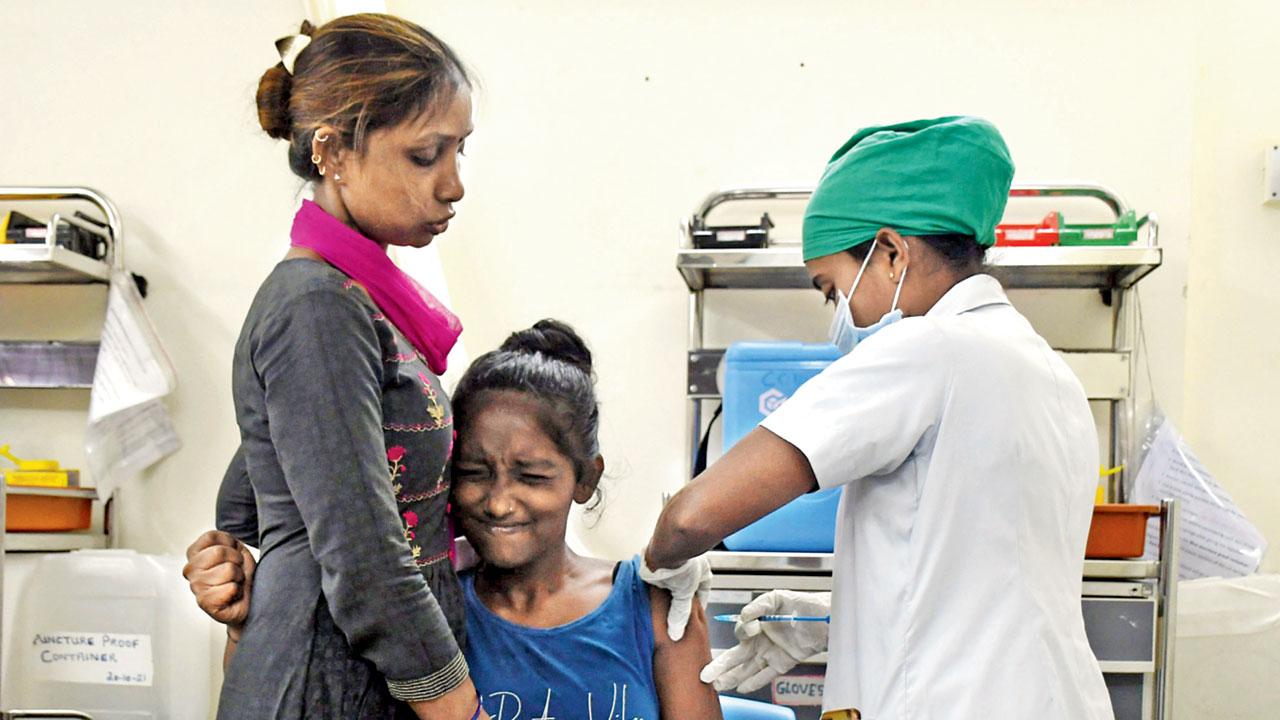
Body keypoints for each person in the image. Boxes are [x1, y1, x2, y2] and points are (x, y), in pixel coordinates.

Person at [645, 116, 1115, 719]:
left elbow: (692, 517)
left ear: (891, 253)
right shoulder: (1049, 374)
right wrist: (844, 623)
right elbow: (981, 581)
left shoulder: (926, 349)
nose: (839, 314)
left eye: (831, 288)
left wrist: (660, 566)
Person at [189, 321, 723, 719]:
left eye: (532, 476)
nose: (498, 502)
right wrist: (249, 623)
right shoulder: (415, 609)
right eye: (474, 472)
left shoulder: (655, 607)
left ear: (584, 479)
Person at [190, 13, 488, 719]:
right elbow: (362, 552)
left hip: (358, 677)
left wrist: (232, 559)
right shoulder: (316, 306)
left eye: (459, 153)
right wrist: (454, 703)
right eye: (425, 156)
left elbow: (251, 495)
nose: (453, 186)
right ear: (333, 152)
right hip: (325, 684)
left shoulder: (360, 302)